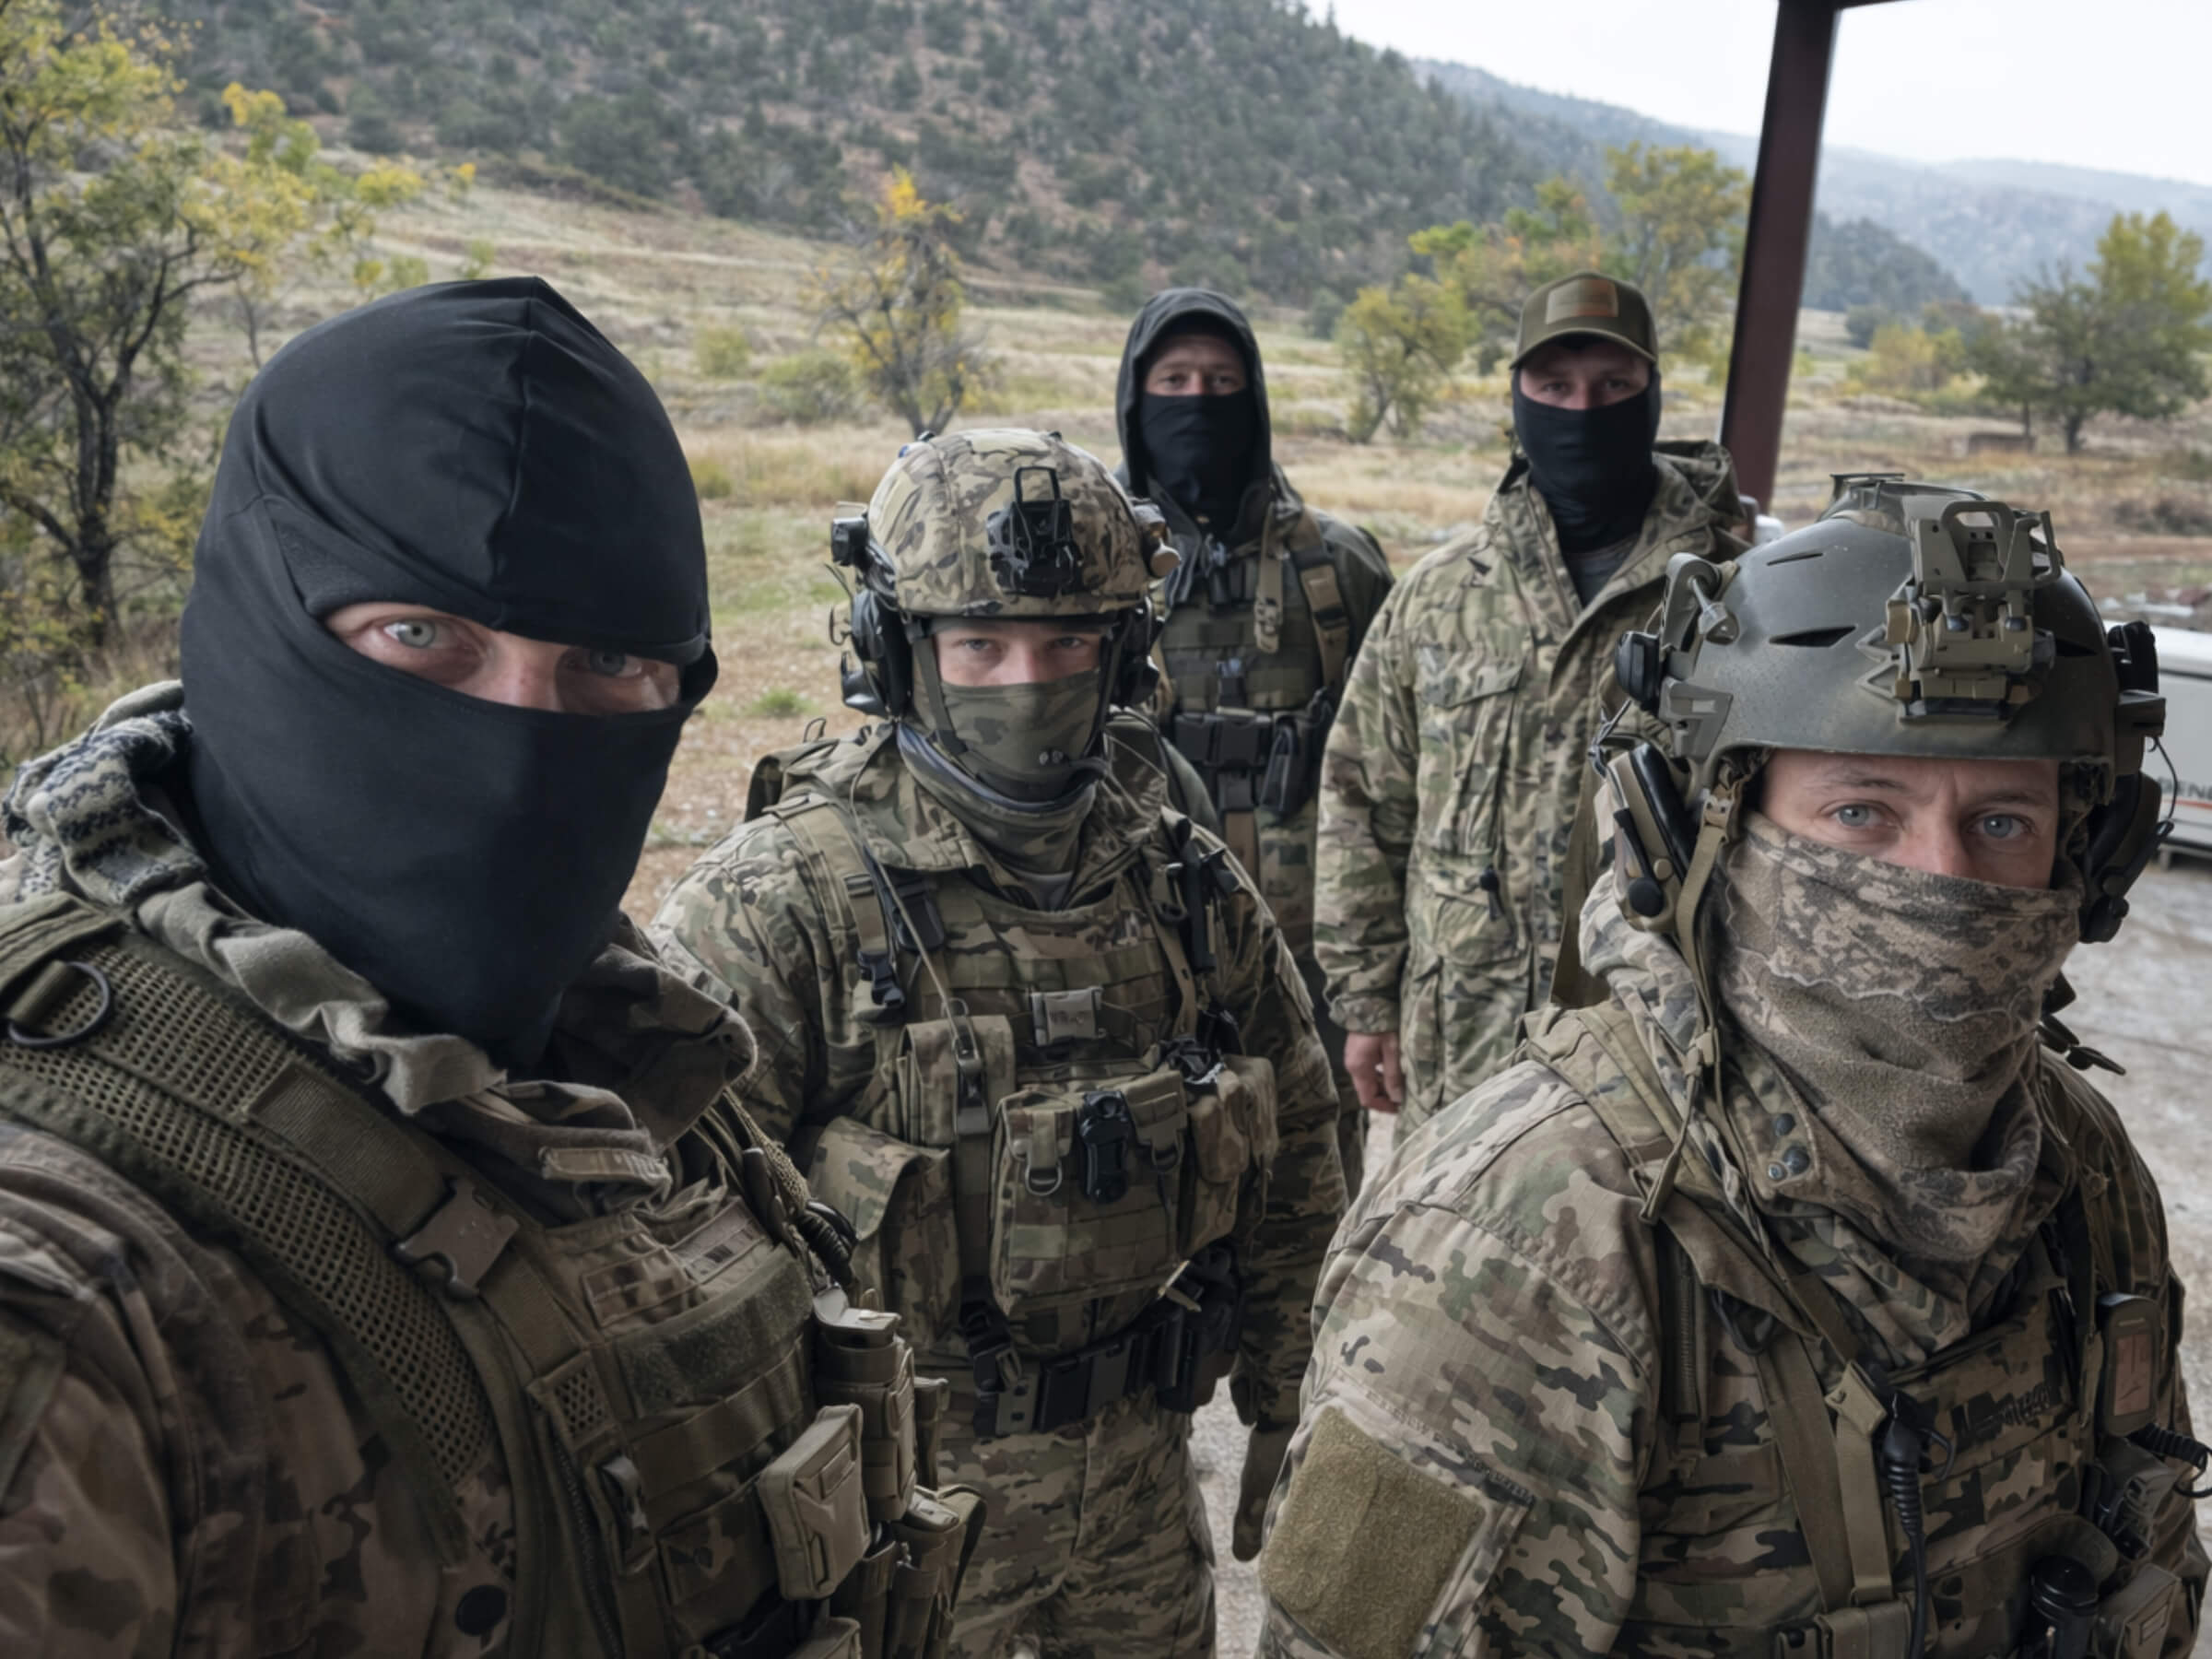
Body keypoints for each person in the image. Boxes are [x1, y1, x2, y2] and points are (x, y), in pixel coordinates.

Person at [0, 278, 976, 1658]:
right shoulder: (68, 1287)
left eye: (605, 663)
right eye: (418, 637)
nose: (519, 756)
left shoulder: (626, 1046)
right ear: (256, 620)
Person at [1258, 477, 2207, 1658]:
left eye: (2003, 822)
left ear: (2087, 860)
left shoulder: (2075, 1163)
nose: (1941, 878)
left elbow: (2150, 1552)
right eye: (1862, 813)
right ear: (1697, 827)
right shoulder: (1521, 1244)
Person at [654, 428, 1346, 1659]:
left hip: (1135, 1506)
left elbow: (1299, 1156)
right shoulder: (784, 902)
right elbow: (671, 1254)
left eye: (1066, 643)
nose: (1027, 682)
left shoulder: (1184, 886)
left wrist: (1292, 1408)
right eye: (980, 645)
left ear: (1122, 651)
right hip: (900, 1525)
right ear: (897, 652)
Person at [1315, 270, 1745, 1138]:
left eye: (1613, 388)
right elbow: (1364, 799)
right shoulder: (1439, 595)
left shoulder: (1732, 597)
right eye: (1554, 388)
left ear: (1653, 396)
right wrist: (1366, 1001)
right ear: (1517, 398)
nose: (1582, 411)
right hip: (1460, 1039)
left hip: (1654, 1043)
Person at [1115, 288, 1394, 1193]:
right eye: (1176, 379)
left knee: (1312, 1184)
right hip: (1141, 945)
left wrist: (1376, 984)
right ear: (1136, 401)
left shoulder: (1338, 567)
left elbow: (1395, 779)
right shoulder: (1095, 570)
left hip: (1306, 955)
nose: (1199, 401)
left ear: (1257, 400)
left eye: (1223, 381)